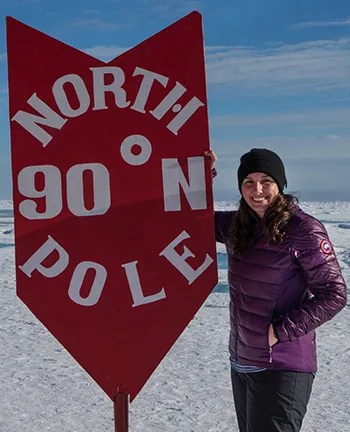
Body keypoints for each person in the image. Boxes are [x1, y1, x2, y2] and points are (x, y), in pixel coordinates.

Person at [205, 148, 347, 432]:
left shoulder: (303, 230)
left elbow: (334, 293)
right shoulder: (237, 226)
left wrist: (279, 332)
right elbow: (193, 218)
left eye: (265, 181)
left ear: (279, 185)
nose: (257, 190)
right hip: (243, 360)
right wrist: (203, 175)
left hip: (284, 365)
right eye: (248, 182)